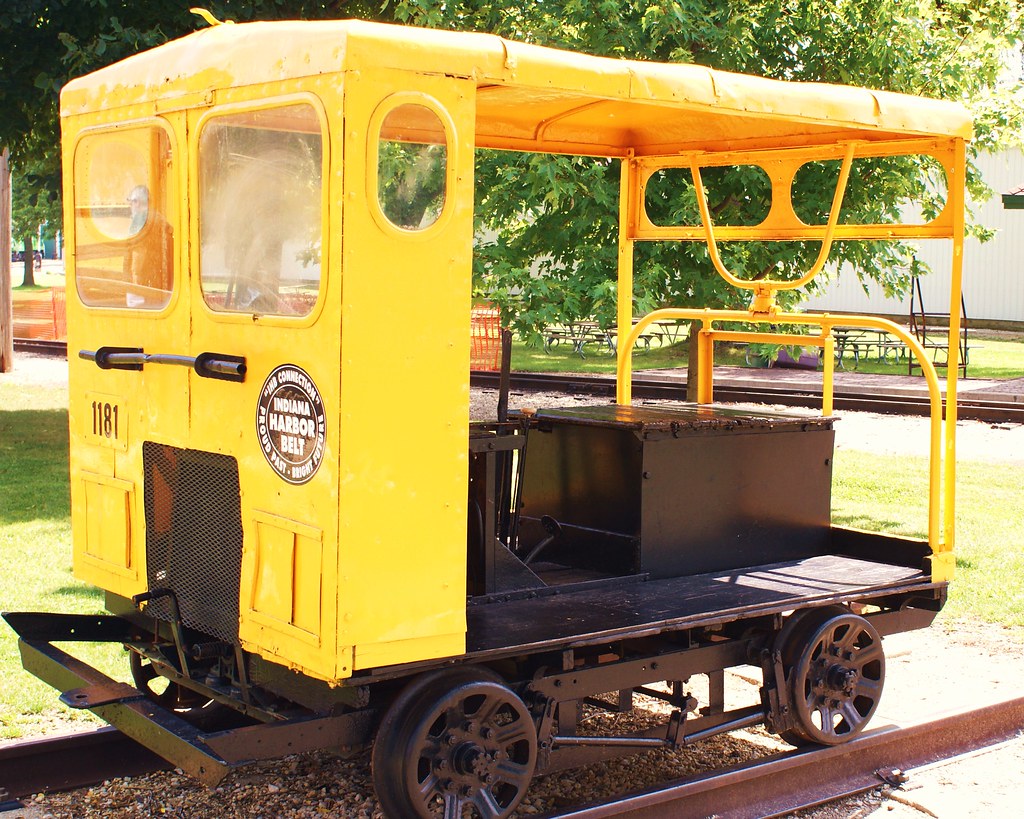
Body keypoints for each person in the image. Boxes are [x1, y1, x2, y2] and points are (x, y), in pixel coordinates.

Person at [124, 185, 173, 307]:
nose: (130, 206)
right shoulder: (160, 219)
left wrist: (135, 285)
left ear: (137, 202)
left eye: (131, 202)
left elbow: (137, 256)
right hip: (159, 284)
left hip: (143, 287)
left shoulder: (139, 220)